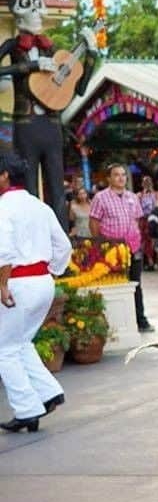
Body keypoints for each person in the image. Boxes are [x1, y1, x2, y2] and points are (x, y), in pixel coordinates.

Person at [0, 0, 97, 225]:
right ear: (15, 9)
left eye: (37, 4)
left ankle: (61, 247)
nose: (34, 11)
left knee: (56, 187)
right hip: (26, 124)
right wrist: (31, 67)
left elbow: (79, 89)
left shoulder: (52, 49)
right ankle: (31, 245)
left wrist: (92, 56)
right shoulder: (12, 46)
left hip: (52, 126)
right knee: (28, 187)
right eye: (26, 4)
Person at [0, 150, 72, 432]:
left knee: (4, 349)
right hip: (42, 281)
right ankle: (48, 392)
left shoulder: (3, 207)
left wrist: (3, 284)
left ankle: (28, 409)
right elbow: (63, 246)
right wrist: (50, 270)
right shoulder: (39, 206)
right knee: (19, 342)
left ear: (5, 176)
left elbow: (3, 252)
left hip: (18, 283)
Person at [89, 163, 153, 332]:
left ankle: (140, 320)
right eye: (116, 175)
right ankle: (116, 323)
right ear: (109, 178)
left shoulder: (132, 197)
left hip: (132, 247)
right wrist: (100, 245)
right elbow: (94, 222)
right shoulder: (100, 198)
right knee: (115, 285)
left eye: (123, 175)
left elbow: (138, 220)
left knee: (136, 284)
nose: (120, 178)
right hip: (112, 249)